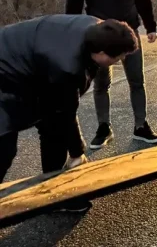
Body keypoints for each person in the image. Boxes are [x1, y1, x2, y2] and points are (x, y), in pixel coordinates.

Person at [0, 15, 138, 210]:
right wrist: (77, 153)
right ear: (99, 52)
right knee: (4, 147)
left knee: (52, 129)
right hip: (6, 69)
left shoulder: (97, 29)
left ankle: (54, 194)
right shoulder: (66, 66)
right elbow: (65, 112)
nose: (120, 60)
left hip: (30, 69)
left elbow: (58, 114)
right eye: (117, 57)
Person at [65, 0, 157, 149]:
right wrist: (72, 34)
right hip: (100, 36)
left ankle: (141, 126)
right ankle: (103, 127)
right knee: (102, 84)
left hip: (130, 34)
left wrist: (151, 26)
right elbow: (74, 4)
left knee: (137, 81)